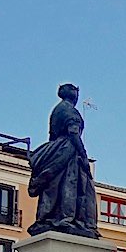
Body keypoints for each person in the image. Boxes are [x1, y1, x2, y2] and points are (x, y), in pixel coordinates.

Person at [27, 83, 99, 238]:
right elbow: (74, 133)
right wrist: (83, 155)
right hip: (68, 151)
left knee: (53, 186)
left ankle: (49, 217)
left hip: (55, 151)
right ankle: (67, 218)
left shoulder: (57, 110)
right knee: (71, 185)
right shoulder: (69, 110)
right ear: (74, 94)